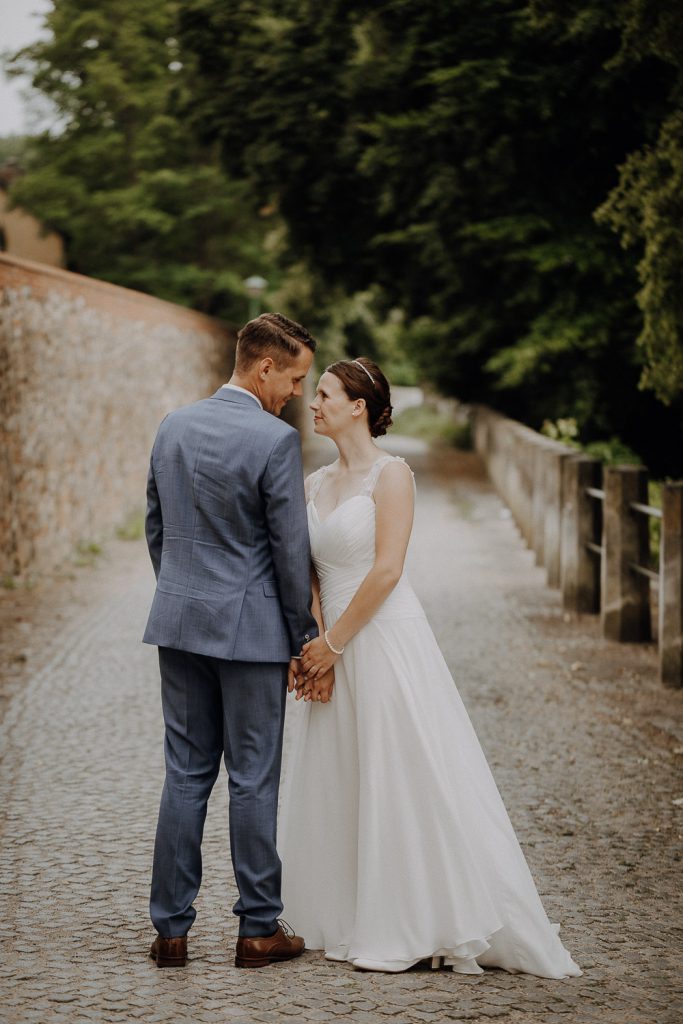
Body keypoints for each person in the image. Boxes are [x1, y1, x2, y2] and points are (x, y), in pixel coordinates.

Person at [279, 356, 582, 978]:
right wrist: (318, 645)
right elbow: (309, 569)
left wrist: (334, 643)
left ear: (357, 405)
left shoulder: (393, 476)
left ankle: (419, 913)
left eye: (325, 394)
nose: (313, 404)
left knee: (401, 771)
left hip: (382, 637)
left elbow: (388, 570)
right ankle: (346, 907)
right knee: (343, 771)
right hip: (330, 640)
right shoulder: (313, 483)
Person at [143, 312, 333, 969]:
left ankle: (170, 930)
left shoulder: (174, 426)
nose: (297, 393)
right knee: (252, 779)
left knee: (185, 773)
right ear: (263, 368)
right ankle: (257, 929)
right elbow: (287, 552)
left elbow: (156, 526)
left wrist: (182, 596)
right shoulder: (273, 440)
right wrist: (301, 637)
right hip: (251, 635)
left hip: (179, 624)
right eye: (295, 378)